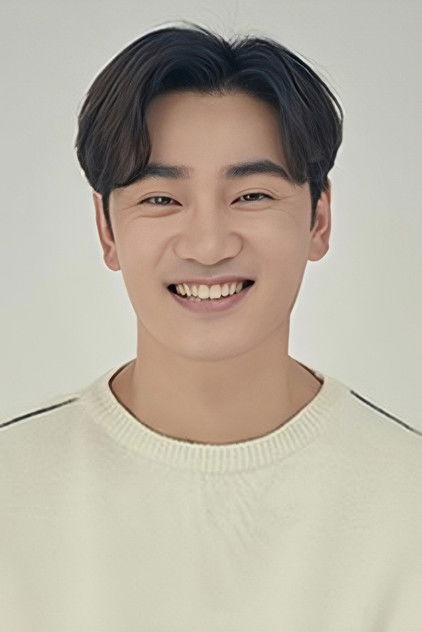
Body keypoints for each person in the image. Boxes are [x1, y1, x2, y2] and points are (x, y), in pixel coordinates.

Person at [2, 20, 421, 631]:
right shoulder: (13, 491)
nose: (208, 245)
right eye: (160, 200)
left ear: (319, 219)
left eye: (252, 196)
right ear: (106, 230)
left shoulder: (407, 502)